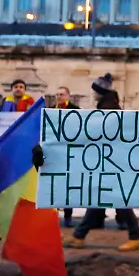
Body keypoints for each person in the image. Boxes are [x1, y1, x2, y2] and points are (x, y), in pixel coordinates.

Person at [60, 79, 139, 251]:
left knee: (117, 198)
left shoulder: (107, 108)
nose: (93, 94)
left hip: (112, 161)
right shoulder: (109, 106)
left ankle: (135, 236)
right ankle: (79, 235)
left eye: (95, 91)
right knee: (101, 198)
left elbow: (104, 134)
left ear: (100, 92)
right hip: (111, 159)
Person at [49, 87, 79, 226]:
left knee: (68, 185)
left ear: (68, 96)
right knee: (53, 184)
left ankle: (68, 216)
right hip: (54, 151)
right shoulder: (50, 110)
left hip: (69, 151)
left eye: (62, 94)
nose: (59, 96)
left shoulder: (76, 109)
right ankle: (52, 214)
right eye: (57, 94)